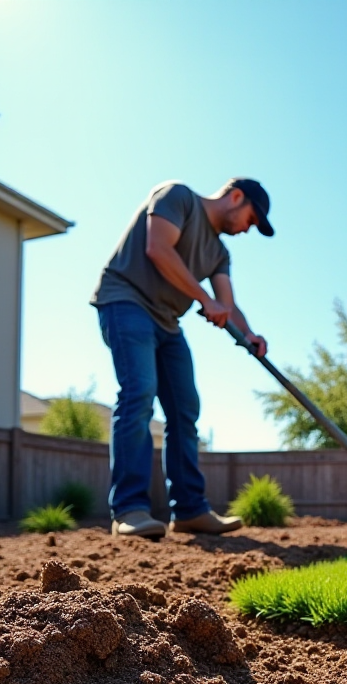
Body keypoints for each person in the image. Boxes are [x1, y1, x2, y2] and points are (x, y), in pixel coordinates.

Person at [91, 178, 273, 539]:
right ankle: (129, 509)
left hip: (167, 321)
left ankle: (190, 510)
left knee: (185, 408)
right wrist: (205, 300)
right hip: (126, 301)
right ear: (236, 197)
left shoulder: (220, 253)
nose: (247, 230)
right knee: (139, 394)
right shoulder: (177, 197)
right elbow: (158, 249)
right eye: (250, 220)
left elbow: (228, 305)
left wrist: (249, 334)